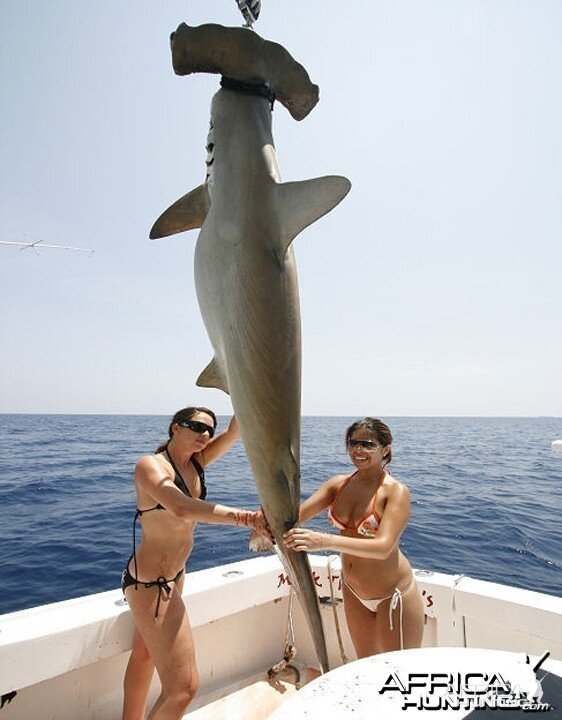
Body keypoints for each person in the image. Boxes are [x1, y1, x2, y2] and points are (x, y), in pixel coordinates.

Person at [121, 406, 268, 720]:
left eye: (209, 430)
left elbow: (234, 432)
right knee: (184, 688)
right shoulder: (151, 466)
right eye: (197, 427)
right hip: (150, 582)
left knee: (145, 654)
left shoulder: (197, 463)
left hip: (175, 574)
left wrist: (239, 389)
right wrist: (248, 519)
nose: (205, 435)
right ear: (175, 427)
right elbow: (181, 507)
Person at [284, 417, 424, 658]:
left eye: (368, 444)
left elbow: (383, 547)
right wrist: (257, 520)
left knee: (398, 670)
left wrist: (323, 541)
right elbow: (294, 516)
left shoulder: (395, 492)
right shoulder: (338, 485)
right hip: (353, 590)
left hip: (392, 595)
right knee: (365, 663)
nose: (358, 450)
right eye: (352, 443)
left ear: (385, 450)